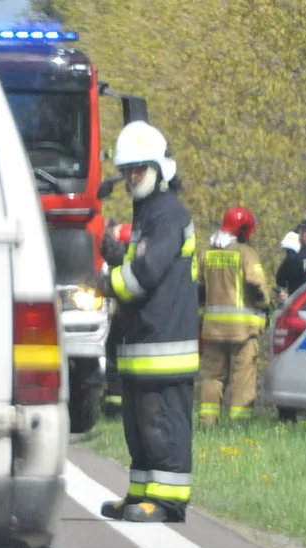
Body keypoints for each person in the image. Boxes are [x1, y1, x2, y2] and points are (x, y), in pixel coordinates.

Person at [97, 120, 199, 524]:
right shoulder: (148, 214)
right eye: (128, 170)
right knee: (140, 428)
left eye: (140, 168)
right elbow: (135, 262)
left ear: (160, 170)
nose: (132, 177)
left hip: (165, 344)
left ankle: (168, 500)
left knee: (163, 425)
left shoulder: (169, 213)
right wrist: (111, 252)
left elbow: (146, 273)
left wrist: (103, 282)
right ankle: (141, 493)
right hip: (143, 344)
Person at [197, 206, 270, 425]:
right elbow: (256, 285)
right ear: (243, 229)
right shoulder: (246, 254)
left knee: (212, 376)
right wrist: (266, 303)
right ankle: (238, 424)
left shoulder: (206, 254)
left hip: (212, 330)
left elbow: (198, 290)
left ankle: (207, 421)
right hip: (242, 331)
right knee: (242, 378)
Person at [99, 221, 132, 417]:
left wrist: (107, 235)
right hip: (135, 318)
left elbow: (109, 253)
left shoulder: (122, 260)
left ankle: (114, 407)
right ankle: (118, 405)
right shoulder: (141, 260)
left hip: (122, 317)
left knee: (113, 359)